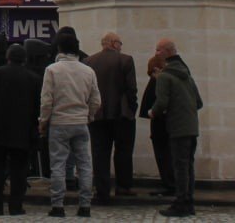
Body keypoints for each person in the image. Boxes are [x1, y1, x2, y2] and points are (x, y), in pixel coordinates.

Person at [39, 30, 101, 218]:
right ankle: (85, 205)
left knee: (58, 164)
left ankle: (57, 205)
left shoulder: (52, 70)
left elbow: (46, 100)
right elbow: (96, 100)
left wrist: (43, 121)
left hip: (59, 122)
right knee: (84, 164)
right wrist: (89, 116)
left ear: (59, 48)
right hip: (80, 122)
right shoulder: (88, 71)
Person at [0, 44, 41, 216]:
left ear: (8, 57)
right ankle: (16, 206)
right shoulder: (34, 78)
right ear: (25, 59)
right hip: (22, 130)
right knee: (19, 171)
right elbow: (37, 107)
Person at [149, 39, 202, 218]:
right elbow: (199, 101)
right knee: (188, 165)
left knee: (179, 166)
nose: (156, 53)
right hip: (191, 125)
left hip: (178, 126)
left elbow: (162, 102)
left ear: (167, 52)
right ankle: (189, 202)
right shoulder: (186, 73)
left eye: (158, 50)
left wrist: (152, 112)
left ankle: (180, 203)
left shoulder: (165, 76)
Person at [85, 32, 138, 203]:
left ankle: (102, 191)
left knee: (100, 153)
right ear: (114, 44)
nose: (121, 46)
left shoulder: (89, 62)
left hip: (98, 113)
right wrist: (132, 108)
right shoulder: (126, 60)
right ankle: (123, 186)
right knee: (123, 151)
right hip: (121, 113)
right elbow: (131, 89)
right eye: (120, 43)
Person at [137, 54, 174, 197]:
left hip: (160, 124)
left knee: (164, 155)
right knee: (167, 155)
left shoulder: (158, 81)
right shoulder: (163, 81)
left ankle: (169, 184)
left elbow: (157, 103)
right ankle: (170, 183)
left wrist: (153, 111)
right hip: (165, 124)